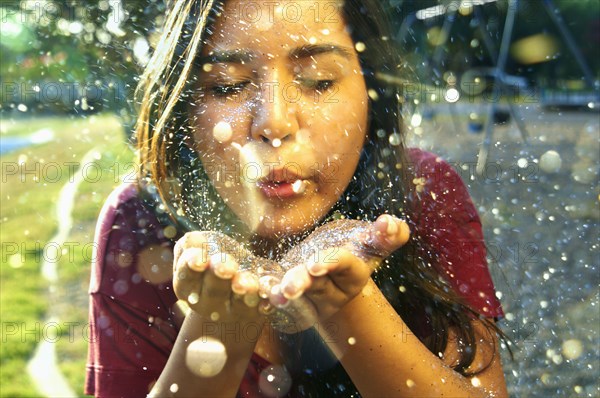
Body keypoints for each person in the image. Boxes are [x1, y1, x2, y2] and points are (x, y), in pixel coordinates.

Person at [85, 0, 509, 396]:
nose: (274, 122)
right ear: (183, 109)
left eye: (319, 81)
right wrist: (223, 323)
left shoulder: (423, 191)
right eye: (228, 87)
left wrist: (346, 301)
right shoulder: (139, 222)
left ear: (371, 92)